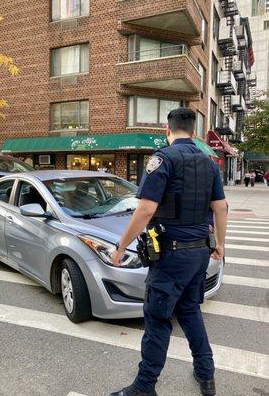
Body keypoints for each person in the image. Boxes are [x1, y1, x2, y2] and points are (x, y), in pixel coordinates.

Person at [109, 108, 227, 396]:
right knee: (189, 312)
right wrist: (220, 244)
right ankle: (206, 376)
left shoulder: (162, 159)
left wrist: (121, 247)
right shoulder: (209, 163)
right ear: (195, 133)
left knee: (158, 320)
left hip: (172, 255)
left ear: (167, 130)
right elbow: (220, 208)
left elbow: (146, 209)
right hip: (199, 252)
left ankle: (144, 387)